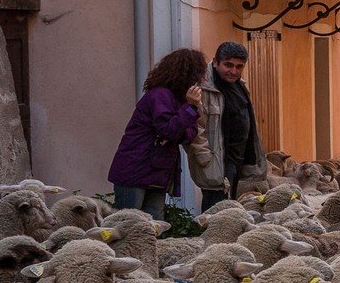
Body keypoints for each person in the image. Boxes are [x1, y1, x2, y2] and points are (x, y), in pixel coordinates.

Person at [108, 47, 206, 219]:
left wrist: (174, 134)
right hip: (137, 168)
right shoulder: (160, 96)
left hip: (157, 171)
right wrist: (189, 108)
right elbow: (169, 128)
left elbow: (190, 133)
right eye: (197, 74)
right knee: (129, 223)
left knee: (154, 225)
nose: (199, 80)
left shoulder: (178, 99)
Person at [188, 41, 268, 211]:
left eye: (239, 67)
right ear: (216, 62)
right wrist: (205, 158)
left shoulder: (239, 85)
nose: (234, 71)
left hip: (235, 160)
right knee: (217, 212)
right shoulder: (203, 88)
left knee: (229, 209)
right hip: (217, 161)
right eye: (228, 65)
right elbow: (195, 126)